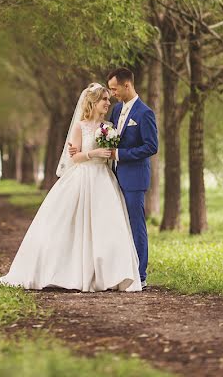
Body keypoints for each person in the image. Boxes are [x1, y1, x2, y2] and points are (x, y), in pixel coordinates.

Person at [0, 83, 142, 291]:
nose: (108, 103)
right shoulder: (81, 126)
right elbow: (75, 156)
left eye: (108, 99)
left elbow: (113, 152)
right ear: (93, 102)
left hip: (104, 180)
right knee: (71, 225)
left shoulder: (109, 127)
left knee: (107, 226)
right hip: (83, 177)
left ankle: (109, 275)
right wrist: (94, 154)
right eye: (104, 99)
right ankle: (70, 272)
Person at [69, 68, 158, 287]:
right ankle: (115, 271)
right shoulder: (117, 112)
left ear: (127, 86)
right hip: (112, 176)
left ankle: (140, 275)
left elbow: (151, 146)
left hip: (135, 178)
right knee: (117, 226)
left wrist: (120, 154)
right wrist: (81, 151)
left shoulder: (145, 113)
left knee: (136, 225)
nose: (112, 93)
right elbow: (106, 139)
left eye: (114, 89)